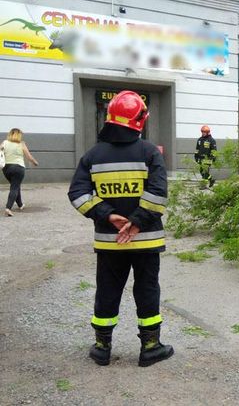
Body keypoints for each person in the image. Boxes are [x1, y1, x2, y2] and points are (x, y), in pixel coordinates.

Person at [68, 90, 173, 367]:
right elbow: (158, 193)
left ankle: (102, 347)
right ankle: (151, 347)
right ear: (139, 120)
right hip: (146, 240)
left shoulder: (92, 156)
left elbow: (77, 193)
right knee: (147, 288)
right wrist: (137, 222)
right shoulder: (149, 152)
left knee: (107, 290)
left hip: (110, 240)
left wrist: (107, 215)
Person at [1, 128, 39, 217]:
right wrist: (35, 162)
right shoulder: (21, 144)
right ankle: (8, 208)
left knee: (15, 185)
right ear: (19, 135)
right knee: (14, 187)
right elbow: (29, 156)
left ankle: (20, 204)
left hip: (6, 169)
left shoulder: (4, 143)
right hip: (18, 168)